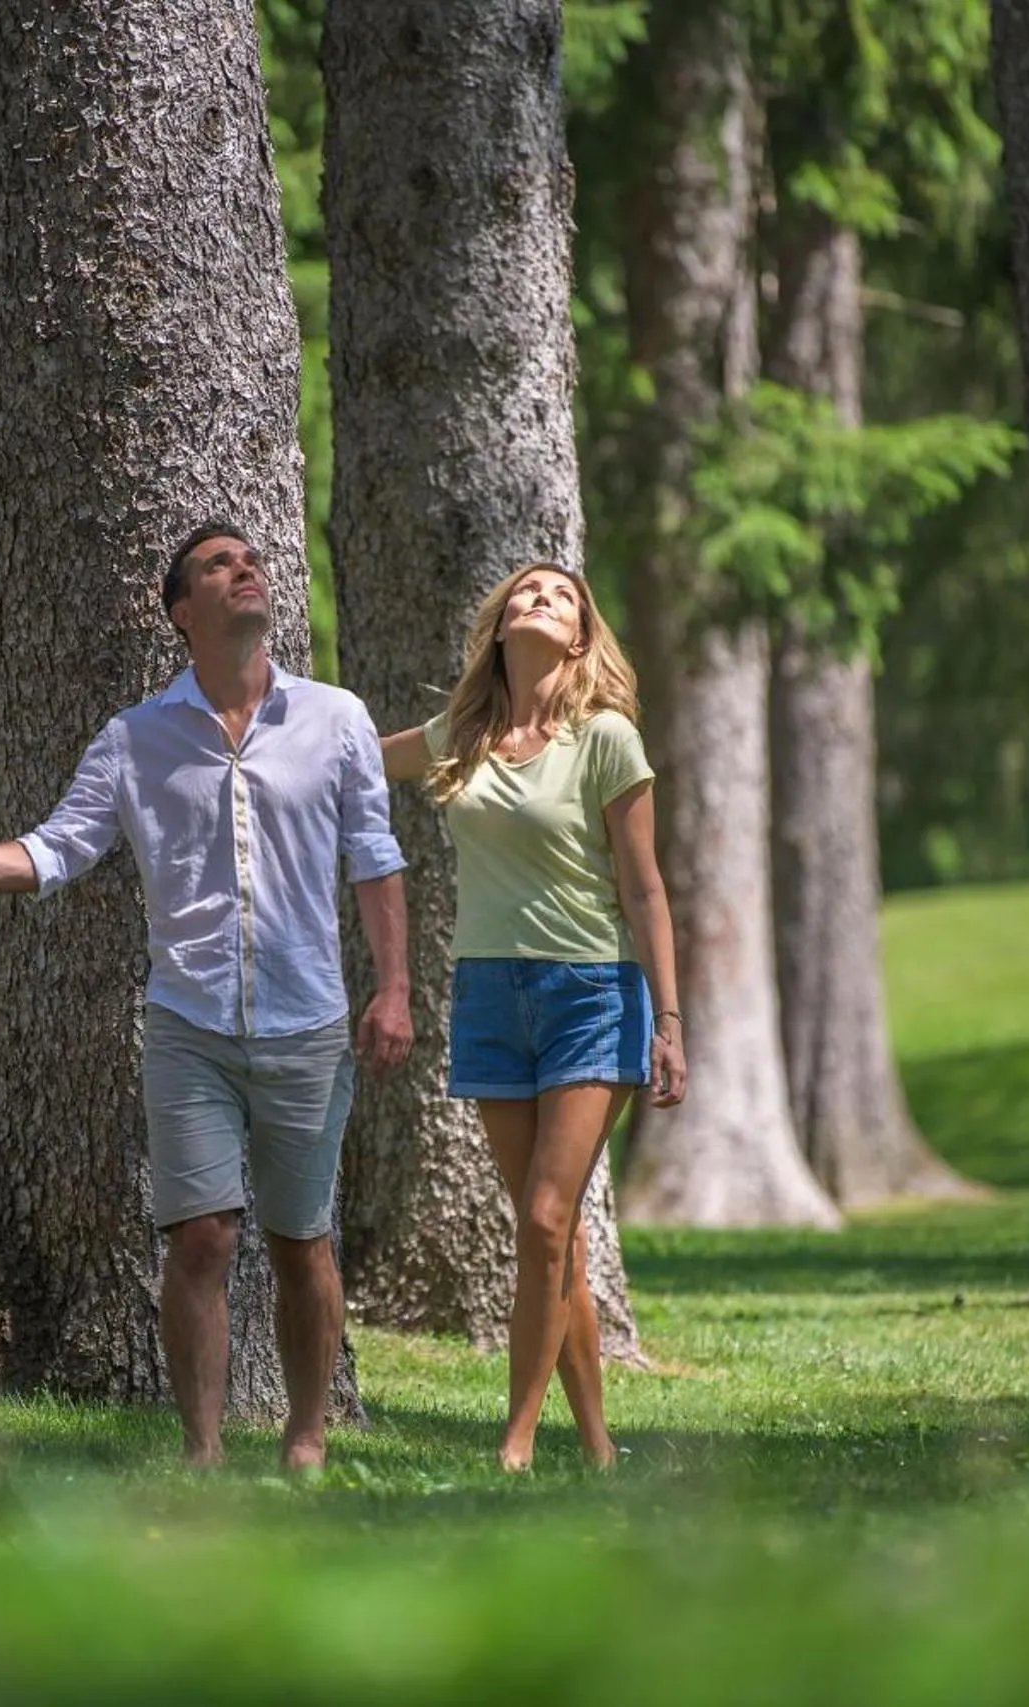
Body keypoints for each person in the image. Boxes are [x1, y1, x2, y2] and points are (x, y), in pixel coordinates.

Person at [0, 526, 411, 1472]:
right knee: (201, 1238)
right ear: (180, 612)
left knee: (303, 1242)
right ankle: (202, 1454)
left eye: (250, 560)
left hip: (308, 1022)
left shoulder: (338, 719)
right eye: (217, 566)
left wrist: (394, 989)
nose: (245, 570)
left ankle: (308, 1436)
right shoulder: (134, 739)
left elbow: (375, 859)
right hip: (188, 1024)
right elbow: (52, 851)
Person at [379, 561, 684, 1472]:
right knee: (553, 1231)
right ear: (501, 625)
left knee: (546, 1220)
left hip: (590, 992)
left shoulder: (606, 740)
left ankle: (515, 1441)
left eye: (561, 596)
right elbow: (348, 752)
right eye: (527, 592)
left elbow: (645, 886)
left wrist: (668, 1021)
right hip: (486, 996)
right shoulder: (459, 737)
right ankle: (596, 1446)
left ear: (581, 636)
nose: (541, 599)